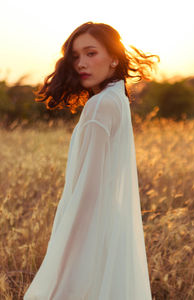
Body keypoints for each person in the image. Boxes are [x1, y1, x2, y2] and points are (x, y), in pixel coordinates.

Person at [24, 21, 160, 300]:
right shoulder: (117, 98)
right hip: (108, 230)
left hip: (88, 233)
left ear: (114, 58)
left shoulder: (100, 105)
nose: (81, 64)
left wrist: (66, 253)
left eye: (91, 53)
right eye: (75, 56)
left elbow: (89, 191)